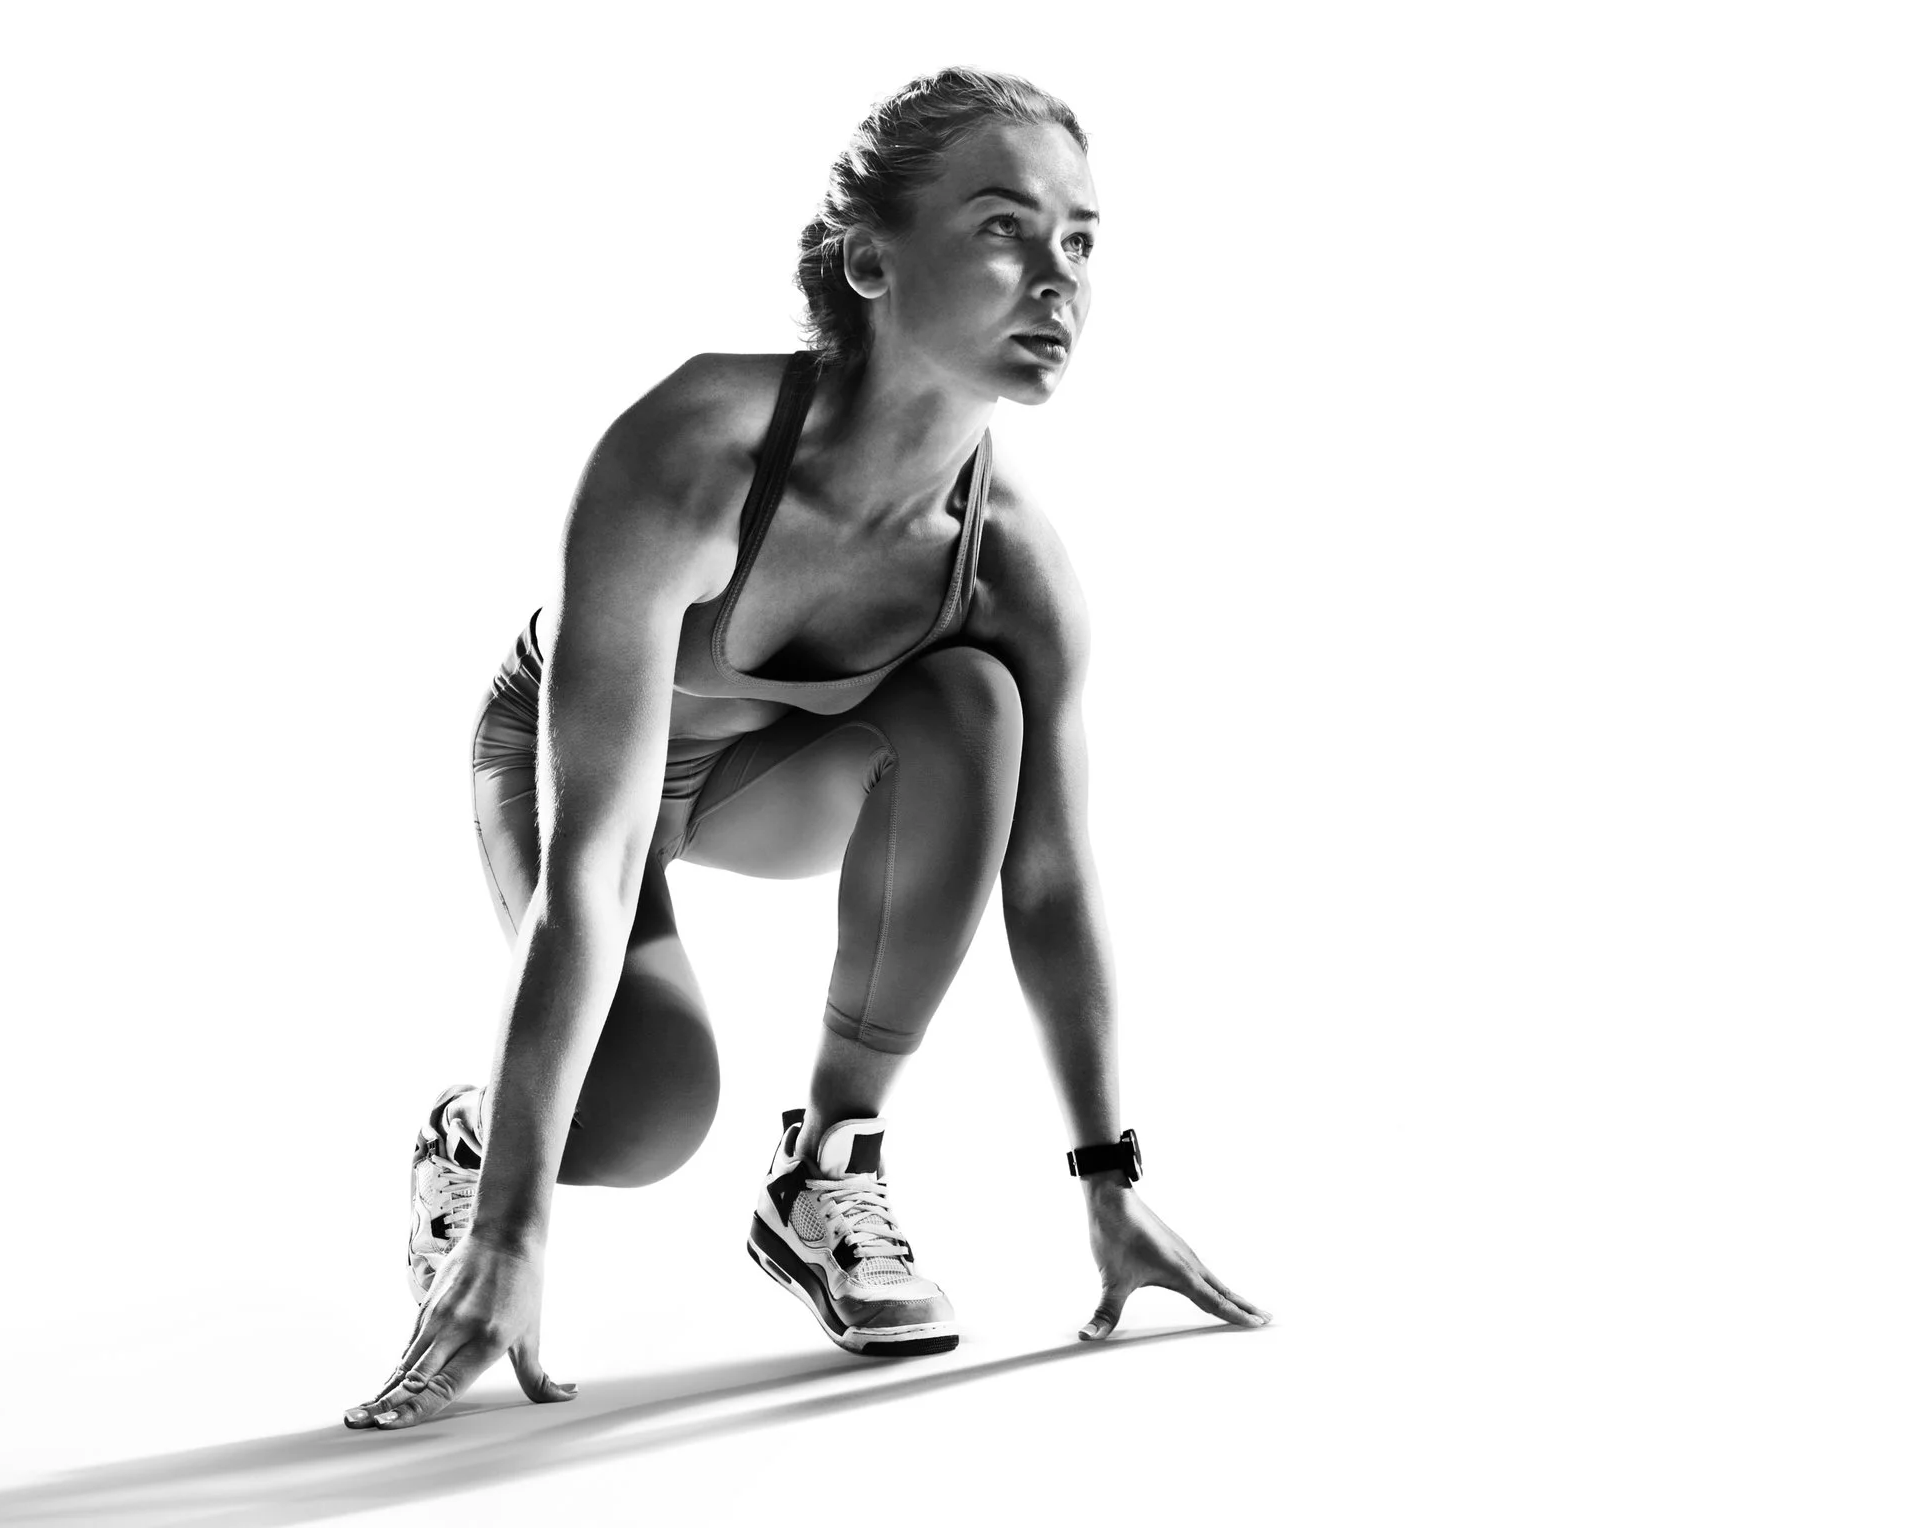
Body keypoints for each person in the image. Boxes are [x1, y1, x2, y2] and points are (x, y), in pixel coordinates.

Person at [344, 66, 1268, 1433]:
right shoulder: (697, 447)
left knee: (976, 705)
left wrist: (1110, 1178)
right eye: (1006, 228)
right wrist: (513, 1222)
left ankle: (829, 1165)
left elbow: (1055, 887)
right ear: (871, 262)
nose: (1059, 280)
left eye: (1082, 241)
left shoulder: (1011, 565)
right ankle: (472, 1148)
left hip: (763, 775)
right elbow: (591, 868)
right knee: (649, 1119)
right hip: (579, 762)